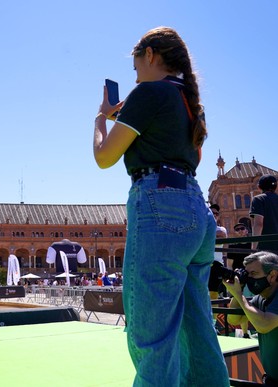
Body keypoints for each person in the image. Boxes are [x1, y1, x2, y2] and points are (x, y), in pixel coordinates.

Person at [92, 27, 229, 385]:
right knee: (197, 329)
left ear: (150, 55)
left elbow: (104, 157)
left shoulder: (148, 93)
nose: (135, 74)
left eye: (136, 65)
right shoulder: (189, 102)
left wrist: (100, 121)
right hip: (196, 209)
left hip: (159, 205)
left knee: (152, 334)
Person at [224, 251, 278, 386]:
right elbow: (233, 320)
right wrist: (239, 287)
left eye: (253, 274)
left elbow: (264, 325)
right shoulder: (260, 298)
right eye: (246, 274)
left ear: (272, 275)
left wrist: (239, 295)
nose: (249, 279)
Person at [250, 174, 278, 254]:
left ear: (259, 186)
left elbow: (258, 224)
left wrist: (253, 249)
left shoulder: (259, 199)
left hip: (266, 248)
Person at [209, 204, 228, 300]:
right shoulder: (202, 228)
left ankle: (214, 315)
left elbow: (222, 235)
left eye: (216, 213)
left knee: (214, 293)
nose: (214, 215)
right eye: (212, 213)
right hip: (204, 263)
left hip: (216, 264)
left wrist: (207, 237)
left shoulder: (222, 229)